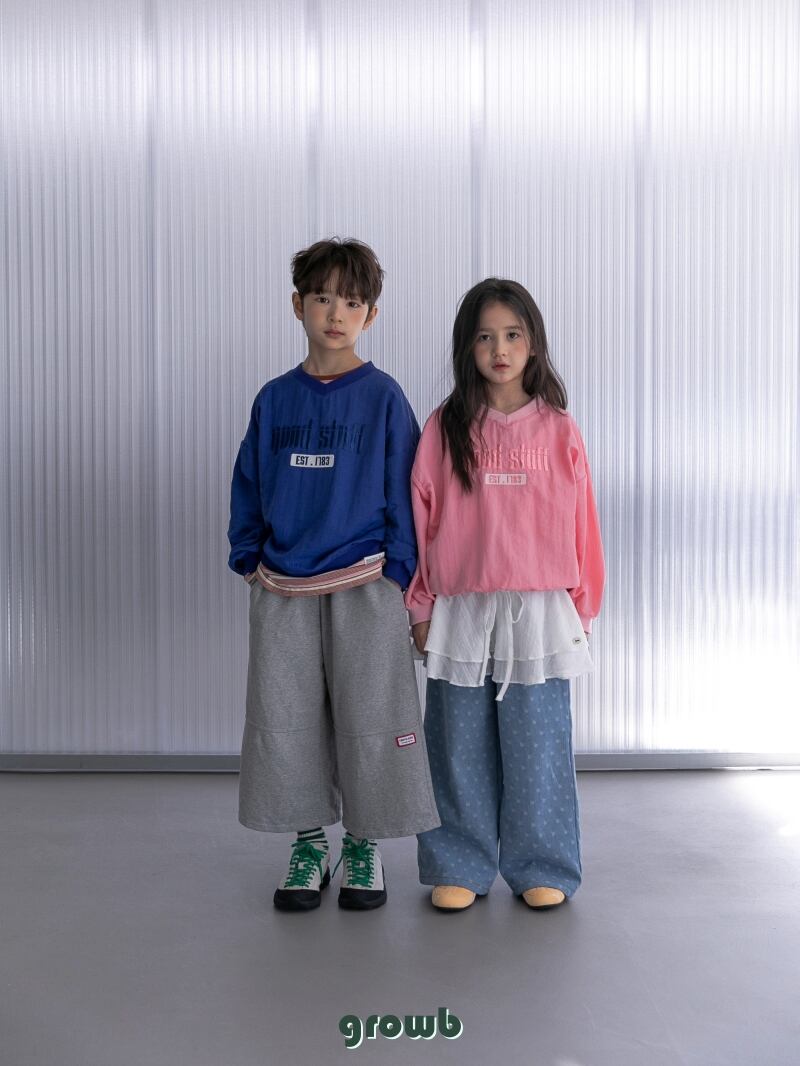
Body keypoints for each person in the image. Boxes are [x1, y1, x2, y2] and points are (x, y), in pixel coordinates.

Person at [228, 238, 439, 913]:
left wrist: (398, 574)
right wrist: (248, 559)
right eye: (322, 298)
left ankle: (363, 846)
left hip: (366, 582)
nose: (336, 314)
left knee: (371, 716)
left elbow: (408, 490)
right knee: (286, 717)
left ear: (370, 314)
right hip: (283, 586)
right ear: (298, 306)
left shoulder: (382, 397)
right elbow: (248, 482)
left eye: (351, 302)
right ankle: (309, 844)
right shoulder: (274, 399)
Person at [404, 278, 605, 912]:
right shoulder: (444, 427)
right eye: (485, 337)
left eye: (513, 335)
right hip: (462, 609)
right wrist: (420, 605)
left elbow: (583, 522)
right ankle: (458, 863)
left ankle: (541, 863)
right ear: (467, 347)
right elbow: (420, 518)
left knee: (538, 745)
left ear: (533, 343)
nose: (500, 349)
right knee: (456, 745)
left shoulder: (558, 429)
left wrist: (583, 605)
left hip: (539, 612)